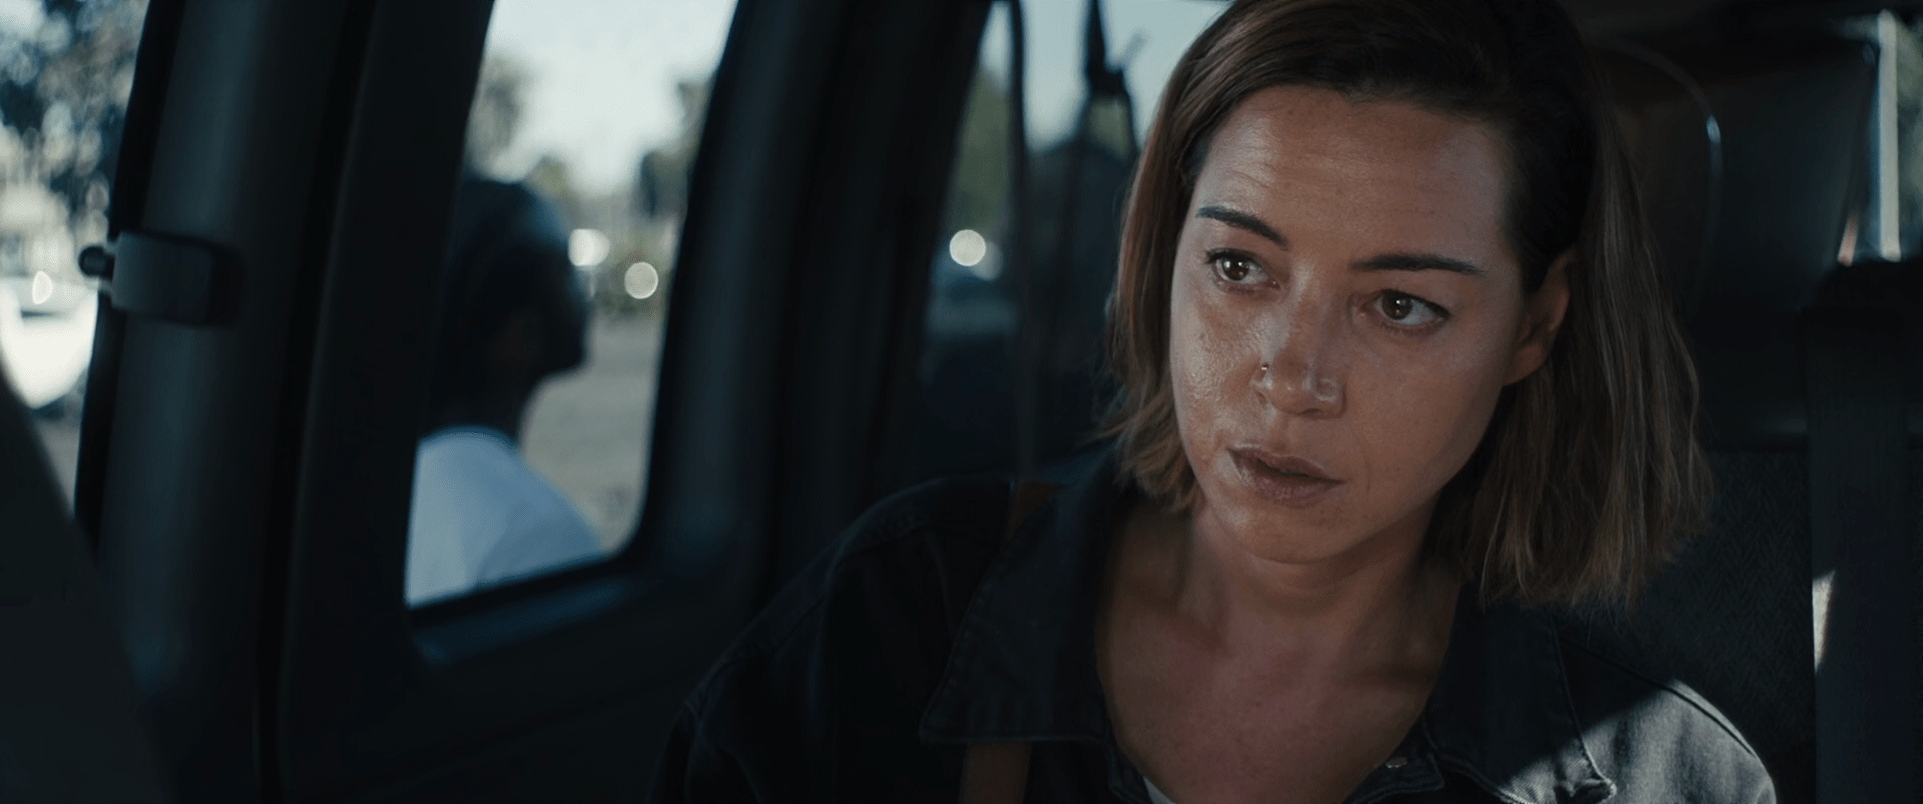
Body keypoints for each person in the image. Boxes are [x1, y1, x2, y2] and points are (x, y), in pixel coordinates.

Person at [647, 0, 1772, 801]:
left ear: (1535, 325)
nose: (1292, 376)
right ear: (1165, 255)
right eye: (1239, 267)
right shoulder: (897, 618)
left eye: (1400, 306)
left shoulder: (1662, 781)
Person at [405, 177, 602, 606]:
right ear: (521, 335)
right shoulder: (538, 534)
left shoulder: (404, 489)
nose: (584, 288)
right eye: (564, 269)